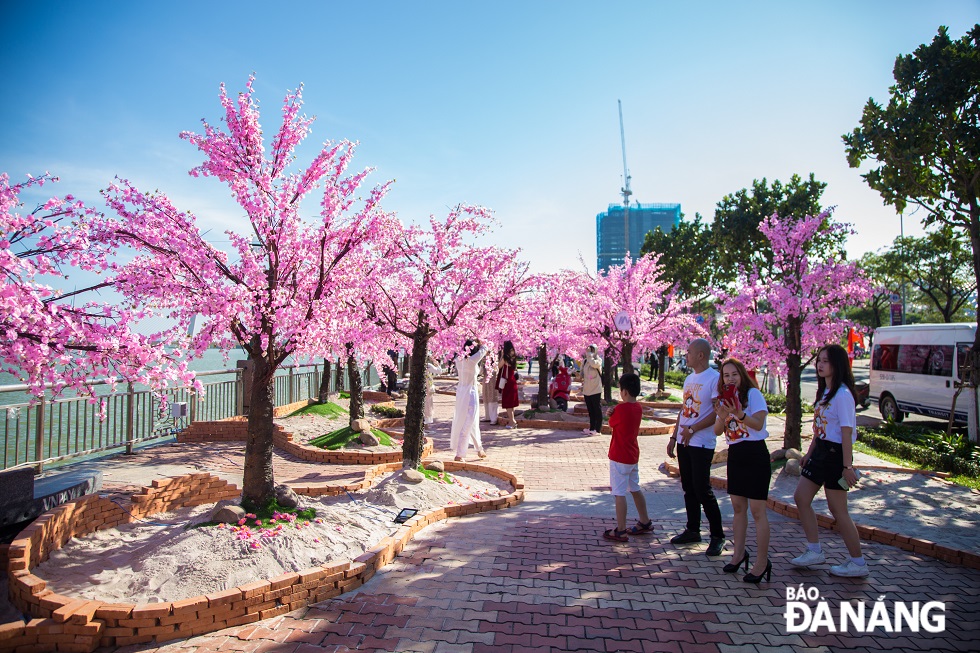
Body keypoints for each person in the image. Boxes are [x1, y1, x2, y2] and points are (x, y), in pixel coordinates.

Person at [791, 344, 868, 577]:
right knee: (801, 498)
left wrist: (847, 467)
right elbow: (819, 429)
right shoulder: (825, 391)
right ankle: (814, 550)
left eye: (825, 361)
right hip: (821, 452)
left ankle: (858, 562)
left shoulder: (843, 395)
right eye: (819, 360)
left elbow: (846, 433)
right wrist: (809, 453)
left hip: (836, 455)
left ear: (838, 364)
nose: (820, 365)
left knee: (838, 509)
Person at [713, 357, 772, 583]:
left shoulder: (753, 395)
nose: (730, 379)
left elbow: (758, 424)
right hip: (735, 454)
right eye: (726, 375)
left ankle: (762, 562)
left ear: (742, 375)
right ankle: (738, 554)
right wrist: (722, 414)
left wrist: (739, 413)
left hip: (755, 453)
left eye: (734, 374)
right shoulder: (724, 399)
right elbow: (719, 431)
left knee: (757, 510)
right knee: (738, 507)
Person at [667, 338, 725, 557]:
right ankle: (693, 529)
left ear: (701, 355)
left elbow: (716, 413)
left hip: (702, 442)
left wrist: (693, 429)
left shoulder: (714, 379)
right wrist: (675, 436)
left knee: (702, 488)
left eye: (689, 352)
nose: (686, 355)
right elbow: (684, 409)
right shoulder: (689, 379)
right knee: (688, 487)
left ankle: (717, 535)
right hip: (684, 441)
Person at [602, 373, 653, 542]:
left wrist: (611, 412)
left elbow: (611, 423)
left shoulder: (620, 409)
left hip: (619, 456)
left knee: (619, 493)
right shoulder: (638, 407)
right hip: (632, 455)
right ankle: (645, 521)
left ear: (623, 391)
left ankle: (621, 529)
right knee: (635, 488)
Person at [449, 339, 488, 461]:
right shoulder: (472, 361)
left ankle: (479, 448)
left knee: (469, 421)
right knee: (468, 422)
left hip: (460, 393)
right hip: (470, 394)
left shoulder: (458, 360)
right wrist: (481, 341)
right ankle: (459, 454)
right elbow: (485, 349)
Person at [581, 344, 604, 435]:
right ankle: (591, 428)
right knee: (590, 410)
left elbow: (594, 365)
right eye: (588, 350)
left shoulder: (598, 360)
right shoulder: (585, 361)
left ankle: (597, 430)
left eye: (591, 350)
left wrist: (590, 356)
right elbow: (582, 372)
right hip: (587, 389)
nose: (589, 352)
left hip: (595, 389)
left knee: (596, 409)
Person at [499, 340, 520, 429]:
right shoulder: (514, 357)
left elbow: (499, 366)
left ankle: (512, 421)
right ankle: (513, 420)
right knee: (511, 402)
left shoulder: (505, 358)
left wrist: (501, 356)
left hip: (507, 382)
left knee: (508, 403)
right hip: (513, 381)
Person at [423, 356, 443, 426]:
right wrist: (437, 364)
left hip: (422, 387)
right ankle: (426, 426)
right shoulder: (428, 365)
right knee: (427, 405)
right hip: (427, 388)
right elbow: (439, 371)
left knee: (425, 404)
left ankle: (425, 425)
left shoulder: (418, 365)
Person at [480, 356, 500, 425]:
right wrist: (482, 364)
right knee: (486, 399)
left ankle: (493, 418)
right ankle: (487, 416)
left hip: (493, 383)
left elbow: (496, 372)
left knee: (492, 399)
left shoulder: (495, 364)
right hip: (486, 383)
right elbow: (481, 373)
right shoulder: (484, 364)